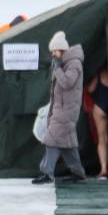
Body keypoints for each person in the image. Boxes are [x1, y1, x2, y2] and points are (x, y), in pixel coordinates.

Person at [33, 31, 88, 185]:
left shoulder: (74, 64)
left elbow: (67, 83)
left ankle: (47, 173)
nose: (53, 55)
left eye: (54, 51)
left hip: (67, 111)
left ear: (61, 49)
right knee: (67, 144)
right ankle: (79, 173)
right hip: (62, 109)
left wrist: (57, 69)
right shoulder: (66, 64)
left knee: (52, 140)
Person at [87, 66, 108, 178]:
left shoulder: (99, 73)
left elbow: (90, 90)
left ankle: (103, 169)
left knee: (102, 140)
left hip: (100, 107)